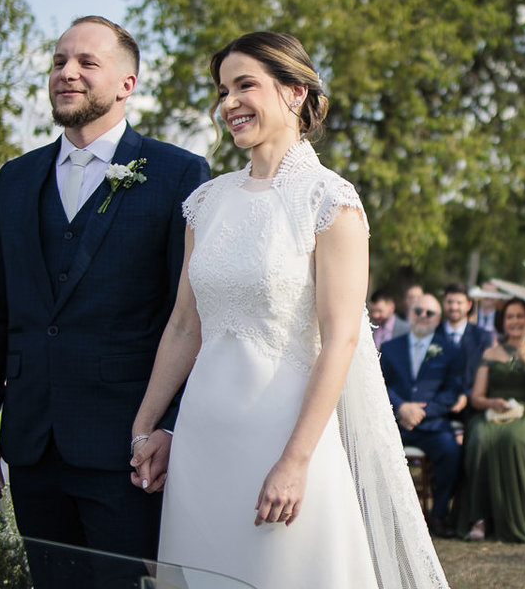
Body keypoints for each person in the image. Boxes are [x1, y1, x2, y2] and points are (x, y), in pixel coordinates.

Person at [129, 32, 448, 588]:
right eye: (223, 89)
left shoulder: (330, 200)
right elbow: (184, 325)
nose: (228, 103)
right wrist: (145, 428)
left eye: (245, 85)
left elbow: (342, 339)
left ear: (295, 91)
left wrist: (295, 462)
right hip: (202, 440)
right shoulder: (206, 203)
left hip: (284, 439)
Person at [0, 16, 211, 583]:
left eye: (86, 63)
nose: (66, 73)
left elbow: (192, 316)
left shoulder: (178, 174)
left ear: (127, 83)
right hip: (31, 443)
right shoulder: (16, 179)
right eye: (58, 61)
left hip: (128, 446)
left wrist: (169, 426)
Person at [454, 297, 525, 543]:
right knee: (479, 438)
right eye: (510, 317)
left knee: (514, 438)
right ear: (503, 321)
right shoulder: (491, 353)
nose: (515, 321)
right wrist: (491, 403)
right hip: (494, 412)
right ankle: (480, 517)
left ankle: (523, 516)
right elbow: (476, 397)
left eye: (520, 316)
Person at [379, 293, 464, 538]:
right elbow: (378, 383)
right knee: (373, 450)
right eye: (418, 311)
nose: (423, 317)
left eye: (430, 313)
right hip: (395, 424)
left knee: (451, 452)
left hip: (432, 424)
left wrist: (422, 412)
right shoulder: (390, 348)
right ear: (410, 314)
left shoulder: (450, 351)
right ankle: (387, 516)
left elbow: (452, 391)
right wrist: (401, 407)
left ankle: (438, 515)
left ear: (438, 319)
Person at [440, 282, 495, 398]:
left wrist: (466, 396)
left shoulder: (483, 337)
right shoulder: (434, 333)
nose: (454, 307)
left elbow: (485, 375)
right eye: (450, 302)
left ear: (469, 305)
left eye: (459, 303)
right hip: (436, 402)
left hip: (470, 403)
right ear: (443, 303)